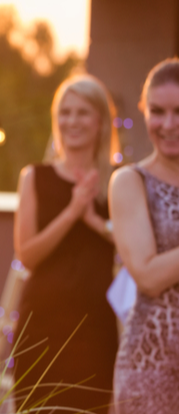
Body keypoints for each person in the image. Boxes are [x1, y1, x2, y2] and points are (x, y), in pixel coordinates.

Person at [12, 75, 120, 412]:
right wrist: (72, 212)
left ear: (101, 120)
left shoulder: (120, 181)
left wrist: (95, 222)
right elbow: (27, 255)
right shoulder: (35, 177)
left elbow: (133, 246)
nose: (72, 121)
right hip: (41, 329)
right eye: (65, 112)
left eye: (82, 112)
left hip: (96, 331)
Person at [111, 58, 179, 413]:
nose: (169, 124)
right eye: (157, 111)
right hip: (152, 367)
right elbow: (149, 276)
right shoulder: (130, 182)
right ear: (143, 111)